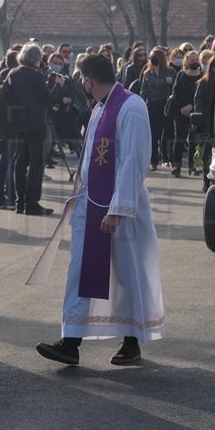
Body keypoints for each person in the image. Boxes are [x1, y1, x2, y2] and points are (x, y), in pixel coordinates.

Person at [36, 54, 164, 367]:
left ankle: (132, 341)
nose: (82, 84)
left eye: (83, 78)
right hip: (91, 204)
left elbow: (134, 160)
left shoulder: (131, 107)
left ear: (89, 79)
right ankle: (71, 341)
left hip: (120, 209)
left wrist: (118, 209)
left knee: (126, 275)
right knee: (81, 271)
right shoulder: (100, 108)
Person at [10, 44, 52, 216]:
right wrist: (57, 86)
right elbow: (47, 98)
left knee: (20, 162)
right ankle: (32, 202)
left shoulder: (13, 73)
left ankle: (20, 201)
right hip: (35, 123)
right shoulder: (36, 75)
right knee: (36, 164)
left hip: (17, 122)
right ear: (37, 59)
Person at [0, 50, 20, 210]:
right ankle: (6, 198)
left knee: (4, 160)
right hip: (10, 126)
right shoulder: (13, 77)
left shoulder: (0, 75)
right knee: (8, 162)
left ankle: (1, 197)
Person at [140, 47, 175, 170]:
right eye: (151, 56)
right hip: (152, 105)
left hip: (166, 104)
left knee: (166, 133)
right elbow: (143, 91)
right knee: (153, 134)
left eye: (155, 56)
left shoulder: (170, 71)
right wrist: (142, 104)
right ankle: (153, 161)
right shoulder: (147, 73)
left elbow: (174, 89)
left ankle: (168, 159)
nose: (152, 59)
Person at [170, 50, 201, 177]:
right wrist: (183, 107)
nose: (194, 61)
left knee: (194, 139)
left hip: (196, 111)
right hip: (181, 112)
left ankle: (193, 166)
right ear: (186, 61)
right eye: (192, 59)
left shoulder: (202, 75)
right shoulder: (181, 75)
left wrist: (192, 107)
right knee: (179, 138)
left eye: (196, 59)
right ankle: (176, 166)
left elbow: (202, 94)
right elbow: (175, 93)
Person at [194, 54, 215, 192]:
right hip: (208, 123)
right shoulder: (204, 83)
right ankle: (206, 180)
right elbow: (198, 101)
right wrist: (200, 118)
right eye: (213, 67)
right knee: (206, 154)